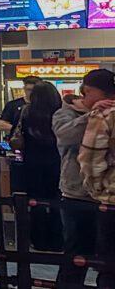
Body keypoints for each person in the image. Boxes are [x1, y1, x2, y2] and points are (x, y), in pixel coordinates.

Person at [53, 91, 98, 288]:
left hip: (105, 194)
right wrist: (93, 116)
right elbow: (64, 135)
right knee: (76, 251)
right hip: (76, 192)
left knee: (104, 254)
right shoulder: (64, 114)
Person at [79, 69, 115, 289]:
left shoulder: (105, 115)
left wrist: (99, 191)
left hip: (112, 204)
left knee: (110, 269)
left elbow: (90, 161)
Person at [20, 80, 63, 251]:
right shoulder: (61, 113)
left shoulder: (27, 111)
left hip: (32, 163)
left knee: (35, 202)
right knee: (57, 201)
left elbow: (16, 134)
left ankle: (39, 240)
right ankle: (58, 240)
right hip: (57, 162)